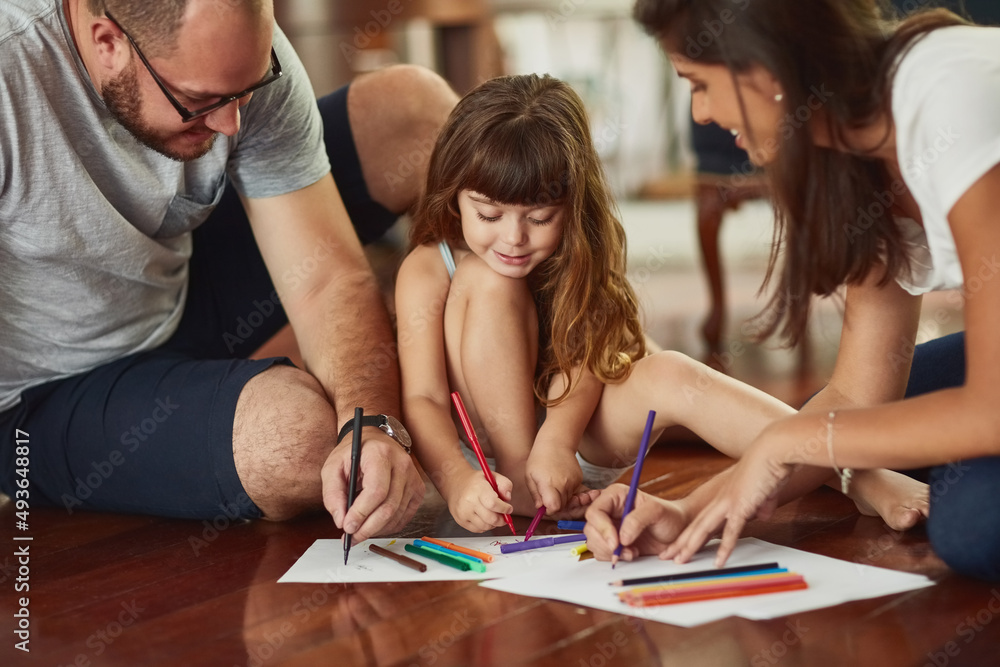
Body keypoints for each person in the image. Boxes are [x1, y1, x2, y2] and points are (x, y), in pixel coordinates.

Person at [0, 0, 458, 543]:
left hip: (177, 285)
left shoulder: (235, 54)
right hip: (50, 392)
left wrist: (375, 424)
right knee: (302, 442)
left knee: (415, 115)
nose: (231, 123)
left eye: (245, 91)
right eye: (201, 101)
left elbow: (326, 278)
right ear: (107, 41)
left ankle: (521, 394)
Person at [394, 73, 926, 534]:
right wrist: (458, 479)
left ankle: (856, 471)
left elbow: (588, 349)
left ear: (572, 205)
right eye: (488, 216)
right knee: (489, 281)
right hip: (489, 467)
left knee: (670, 372)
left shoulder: (578, 243)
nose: (513, 238)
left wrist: (555, 444)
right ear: (452, 192)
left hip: (572, 434)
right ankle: (520, 470)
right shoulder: (426, 267)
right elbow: (422, 398)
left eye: (539, 218)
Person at [585, 0, 1000, 581]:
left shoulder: (948, 99)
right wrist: (687, 511)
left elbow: (988, 410)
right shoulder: (857, 158)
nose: (700, 114)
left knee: (973, 522)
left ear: (764, 67)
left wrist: (789, 441)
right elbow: (857, 397)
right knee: (836, 427)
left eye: (699, 84)